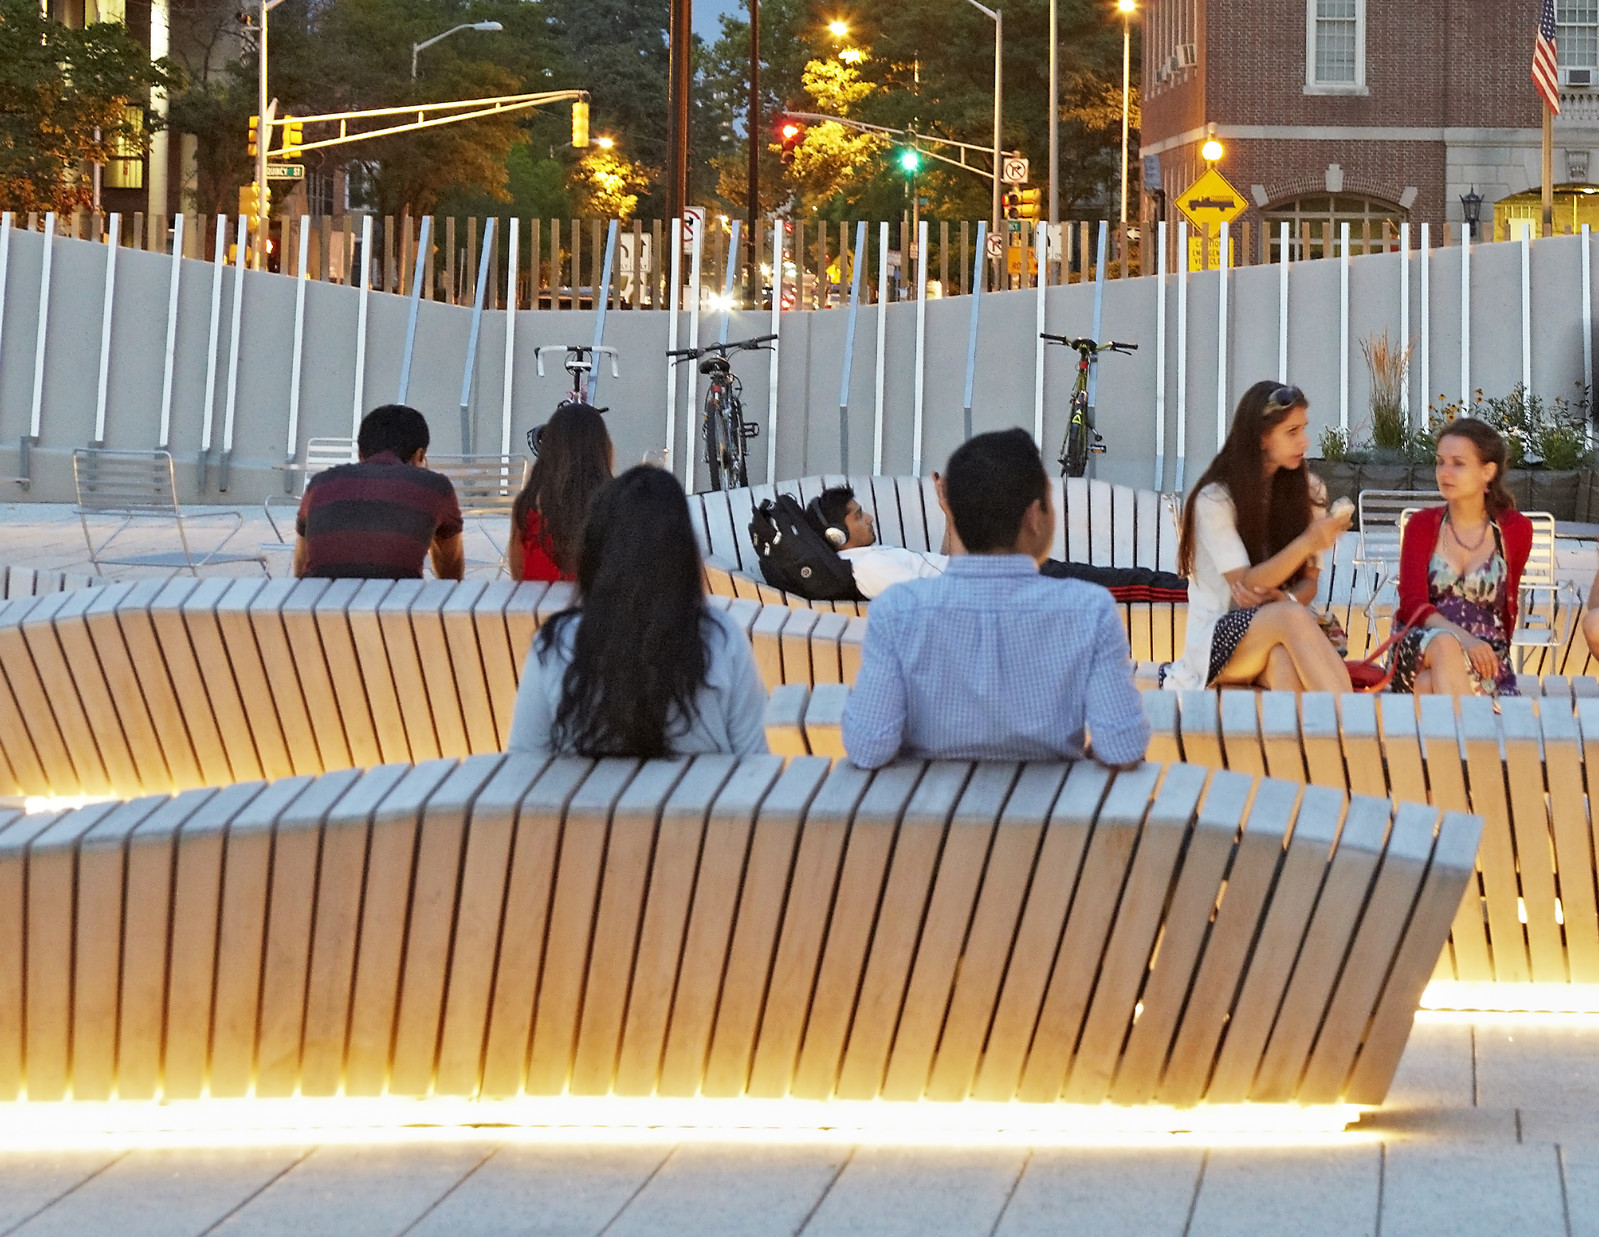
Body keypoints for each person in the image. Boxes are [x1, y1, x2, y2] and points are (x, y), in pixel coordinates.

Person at [841, 428, 1149, 769]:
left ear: (955, 515)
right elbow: (1123, 748)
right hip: (1047, 816)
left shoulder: (895, 612)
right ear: (1035, 516)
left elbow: (869, 748)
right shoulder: (1089, 611)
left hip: (932, 818)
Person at [507, 465, 769, 757]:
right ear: (683, 553)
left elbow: (523, 759)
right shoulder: (720, 639)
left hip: (587, 801)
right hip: (698, 802)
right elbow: (754, 760)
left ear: (596, 553)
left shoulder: (557, 643)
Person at [1164, 380, 1352, 693]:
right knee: (1290, 618)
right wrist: (1307, 542)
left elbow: (1309, 583)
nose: (1305, 442)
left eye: (1303, 429)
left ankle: (1303, 742)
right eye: (1292, 432)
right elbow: (1247, 584)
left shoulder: (1310, 491)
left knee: (1282, 660)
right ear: (1262, 438)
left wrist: (1285, 598)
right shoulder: (1216, 499)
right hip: (1220, 640)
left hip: (1277, 632)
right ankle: (1355, 725)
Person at [810, 482, 1188, 602]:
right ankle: (1198, 596)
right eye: (858, 516)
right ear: (837, 536)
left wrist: (951, 516)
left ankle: (1197, 592)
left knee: (1123, 580)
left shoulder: (872, 557)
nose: (869, 517)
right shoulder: (869, 567)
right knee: (1128, 586)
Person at [1387, 418, 1531, 697]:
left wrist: (1476, 646)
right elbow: (1412, 604)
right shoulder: (1421, 525)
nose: (1445, 472)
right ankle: (1472, 736)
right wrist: (1462, 639)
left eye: (1458, 463)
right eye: (1440, 462)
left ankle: (1449, 737)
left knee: (1427, 685)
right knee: (1444, 645)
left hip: (1486, 657)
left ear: (1487, 471)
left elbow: (1505, 607)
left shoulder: (1515, 530)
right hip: (1422, 643)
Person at [294, 404, 464, 580]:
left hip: (317, 603)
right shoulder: (435, 486)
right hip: (395, 603)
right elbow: (450, 573)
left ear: (360, 455)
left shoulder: (320, 483)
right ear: (419, 455)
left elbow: (301, 565)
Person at [508, 403, 613, 583]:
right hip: (597, 610)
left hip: (536, 609)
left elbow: (518, 574)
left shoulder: (527, 508)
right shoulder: (618, 507)